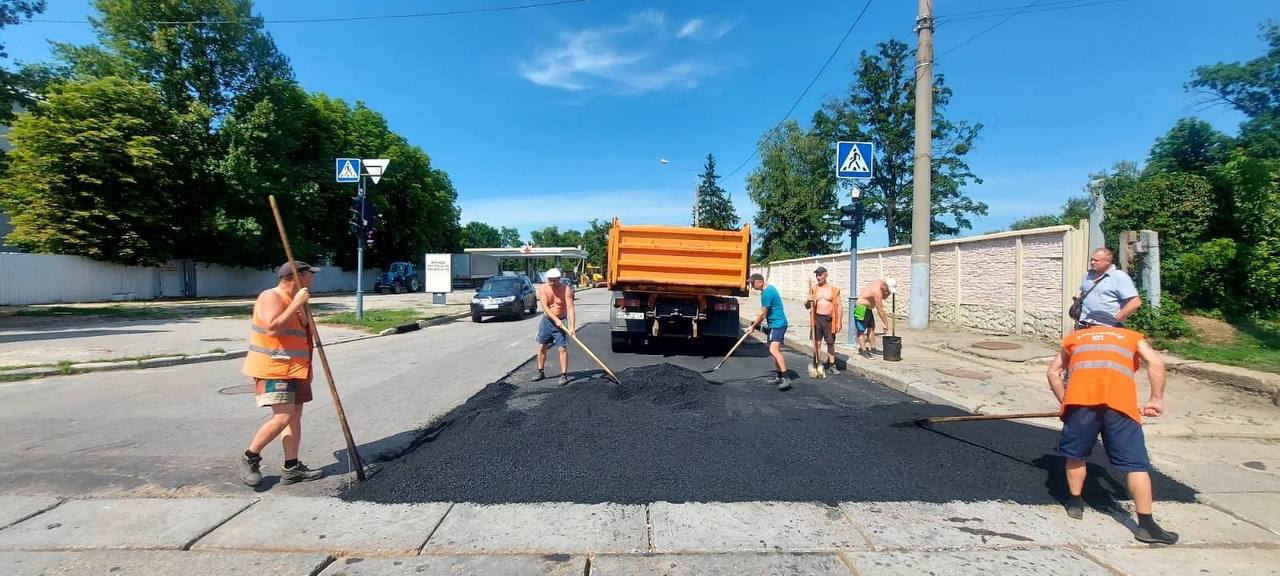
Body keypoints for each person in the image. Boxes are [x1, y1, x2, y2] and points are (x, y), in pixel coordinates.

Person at [1046, 310, 1178, 545]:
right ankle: (1146, 525)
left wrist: (1064, 401)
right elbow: (1156, 362)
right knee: (1135, 464)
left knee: (1076, 455)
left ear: (1088, 325)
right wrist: (1156, 399)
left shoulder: (1075, 338)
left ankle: (1075, 503)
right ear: (1114, 326)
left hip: (1080, 406)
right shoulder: (1130, 336)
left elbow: (1053, 372)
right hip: (1120, 407)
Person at [237, 261, 326, 488]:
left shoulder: (298, 303)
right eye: (309, 275)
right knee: (284, 416)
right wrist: (296, 302)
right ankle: (250, 457)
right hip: (274, 367)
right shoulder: (271, 296)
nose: (312, 279)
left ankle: (291, 467)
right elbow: (272, 328)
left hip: (296, 369)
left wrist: (302, 308)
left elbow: (304, 337)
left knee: (294, 416)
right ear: (298, 277)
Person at [534, 267, 577, 386]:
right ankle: (540, 372)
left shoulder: (566, 290)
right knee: (542, 346)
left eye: (554, 280)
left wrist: (572, 327)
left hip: (562, 321)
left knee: (562, 348)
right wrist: (555, 319)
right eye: (550, 280)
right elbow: (545, 307)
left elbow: (570, 308)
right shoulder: (543, 289)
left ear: (559, 279)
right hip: (547, 321)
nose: (552, 282)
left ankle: (564, 375)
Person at [1077, 248, 1142, 324]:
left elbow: (1135, 302)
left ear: (1108, 261)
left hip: (1107, 326)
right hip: (1084, 323)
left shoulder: (1119, 277)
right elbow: (1083, 294)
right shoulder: (1088, 275)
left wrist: (1113, 321)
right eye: (1091, 260)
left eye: (1096, 260)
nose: (1092, 262)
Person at [748, 272, 790, 390]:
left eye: (752, 283)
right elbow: (763, 314)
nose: (752, 286)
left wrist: (753, 326)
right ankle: (779, 376)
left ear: (759, 282)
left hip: (778, 324)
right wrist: (755, 325)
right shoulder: (766, 292)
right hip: (774, 324)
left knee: (773, 349)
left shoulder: (768, 293)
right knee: (774, 352)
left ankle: (786, 378)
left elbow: (763, 313)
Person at [805, 266, 842, 375]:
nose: (818, 277)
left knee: (830, 342)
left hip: (829, 319)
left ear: (826, 275)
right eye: (817, 275)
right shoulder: (814, 289)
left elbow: (839, 306)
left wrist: (839, 321)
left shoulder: (833, 290)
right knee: (817, 342)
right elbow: (807, 306)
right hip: (816, 318)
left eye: (820, 274)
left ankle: (832, 365)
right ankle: (817, 363)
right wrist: (808, 300)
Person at [853, 277, 895, 357]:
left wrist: (889, 292)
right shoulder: (877, 291)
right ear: (883, 286)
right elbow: (880, 308)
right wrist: (885, 323)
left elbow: (884, 297)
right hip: (860, 308)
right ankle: (863, 350)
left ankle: (873, 349)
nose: (887, 292)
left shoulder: (882, 283)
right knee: (861, 330)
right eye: (887, 290)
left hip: (868, 309)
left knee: (871, 328)